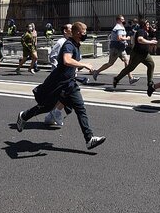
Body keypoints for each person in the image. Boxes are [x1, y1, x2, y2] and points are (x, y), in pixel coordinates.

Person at [16, 22, 106, 150]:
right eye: (84, 31)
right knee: (46, 107)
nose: (86, 33)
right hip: (58, 83)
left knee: (80, 108)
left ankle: (89, 139)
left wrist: (78, 68)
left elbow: (70, 63)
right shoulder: (69, 45)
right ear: (77, 33)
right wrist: (84, 65)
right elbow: (66, 60)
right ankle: (24, 116)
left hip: (70, 84)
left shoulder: (75, 44)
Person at [92, 15, 139, 85]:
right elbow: (119, 38)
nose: (123, 21)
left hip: (121, 48)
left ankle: (131, 78)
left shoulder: (121, 27)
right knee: (110, 63)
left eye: (123, 19)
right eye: (122, 19)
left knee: (127, 62)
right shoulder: (118, 28)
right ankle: (97, 72)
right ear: (118, 20)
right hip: (116, 48)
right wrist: (127, 38)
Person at [112, 19, 157, 89]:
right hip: (137, 54)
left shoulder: (145, 32)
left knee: (151, 64)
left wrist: (151, 42)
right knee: (130, 68)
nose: (149, 26)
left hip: (145, 54)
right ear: (143, 25)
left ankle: (150, 83)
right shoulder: (141, 31)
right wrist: (150, 42)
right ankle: (117, 79)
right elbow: (140, 39)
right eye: (147, 25)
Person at [44, 23, 73, 126]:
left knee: (65, 95)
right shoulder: (61, 42)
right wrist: (58, 70)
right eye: (71, 28)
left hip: (70, 74)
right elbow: (53, 56)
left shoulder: (72, 42)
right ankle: (56, 112)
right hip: (61, 75)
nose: (73, 29)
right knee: (65, 94)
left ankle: (52, 114)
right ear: (65, 31)